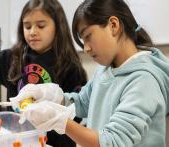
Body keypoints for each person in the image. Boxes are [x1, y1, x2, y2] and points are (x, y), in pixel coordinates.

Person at [11, 0, 169, 146]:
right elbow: (84, 102)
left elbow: (112, 142)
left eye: (88, 36)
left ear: (113, 25)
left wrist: (61, 121)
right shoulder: (106, 68)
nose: (86, 48)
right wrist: (55, 98)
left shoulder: (144, 80)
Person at [0, 0, 87, 146]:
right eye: (27, 26)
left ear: (58, 26)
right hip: (16, 141)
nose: (32, 31)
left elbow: (79, 113)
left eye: (41, 25)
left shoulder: (69, 65)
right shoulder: (13, 58)